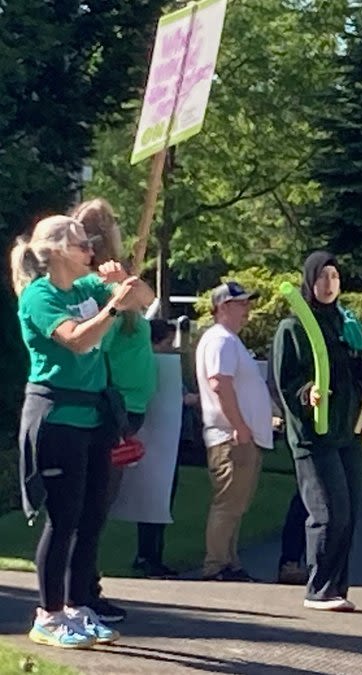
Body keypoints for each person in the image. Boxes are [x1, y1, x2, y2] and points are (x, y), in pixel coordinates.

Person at [12, 215, 150, 649]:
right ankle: (48, 614)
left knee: (91, 518)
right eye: (80, 242)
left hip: (92, 419)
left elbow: (145, 298)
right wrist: (113, 306)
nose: (91, 248)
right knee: (63, 517)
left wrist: (125, 281)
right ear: (56, 252)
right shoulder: (40, 295)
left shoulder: (86, 286)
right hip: (56, 418)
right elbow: (77, 340)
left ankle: (77, 607)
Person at [271, 252, 362, 611]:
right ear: (310, 281)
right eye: (323, 277)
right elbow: (285, 382)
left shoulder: (342, 325)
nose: (329, 284)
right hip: (314, 437)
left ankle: (337, 587)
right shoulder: (292, 328)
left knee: (349, 510)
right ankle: (318, 587)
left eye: (335, 277)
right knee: (328, 511)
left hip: (347, 432)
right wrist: (309, 394)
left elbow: (350, 373)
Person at [73, 198, 158, 618]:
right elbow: (96, 342)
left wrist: (124, 281)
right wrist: (115, 293)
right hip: (111, 403)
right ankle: (80, 591)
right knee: (94, 500)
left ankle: (84, 586)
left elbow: (147, 297)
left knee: (100, 501)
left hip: (128, 404)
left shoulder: (115, 280)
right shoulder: (90, 288)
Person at [196, 281, 274, 582]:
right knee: (228, 503)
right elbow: (220, 383)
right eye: (241, 304)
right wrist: (240, 425)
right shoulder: (221, 341)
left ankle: (229, 561)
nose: (248, 310)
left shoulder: (227, 340)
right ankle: (216, 564)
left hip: (236, 434)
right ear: (223, 307)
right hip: (230, 435)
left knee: (236, 504)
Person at [132, 320, 196, 579]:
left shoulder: (161, 369)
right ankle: (148, 556)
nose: (171, 349)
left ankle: (152, 554)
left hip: (167, 443)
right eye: (167, 343)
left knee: (161, 502)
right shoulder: (153, 369)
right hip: (157, 444)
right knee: (154, 502)